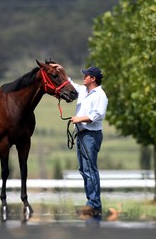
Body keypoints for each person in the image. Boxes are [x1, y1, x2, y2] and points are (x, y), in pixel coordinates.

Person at [51, 64, 108, 217]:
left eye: (86, 75)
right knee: (84, 170)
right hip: (83, 135)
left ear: (93, 78)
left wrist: (78, 119)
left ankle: (94, 204)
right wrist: (61, 70)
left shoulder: (100, 95)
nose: (83, 77)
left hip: (91, 135)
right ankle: (91, 203)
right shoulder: (84, 90)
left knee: (90, 170)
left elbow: (97, 116)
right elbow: (70, 84)